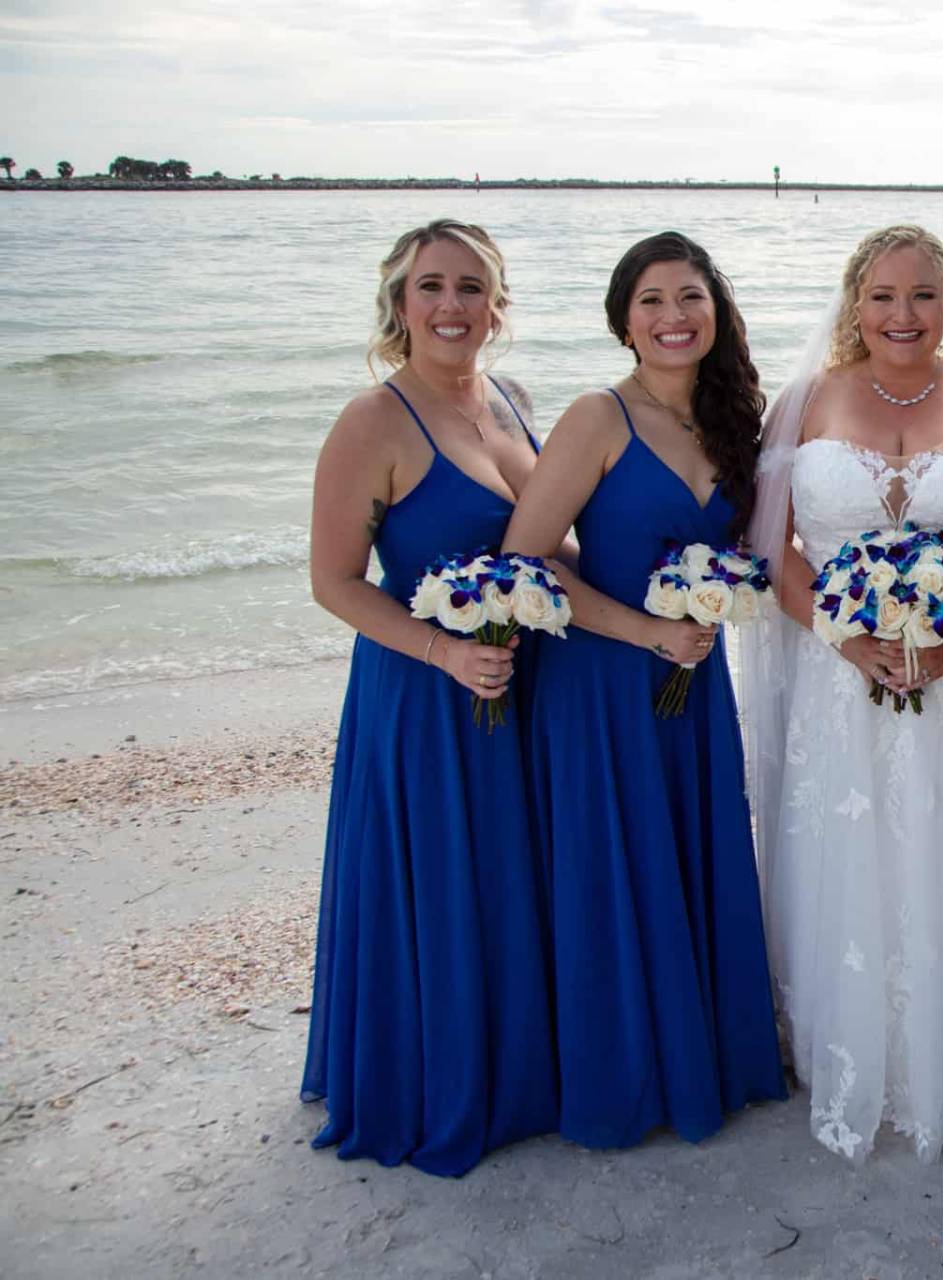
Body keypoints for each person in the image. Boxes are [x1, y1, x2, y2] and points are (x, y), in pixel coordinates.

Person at [740, 225, 943, 1161]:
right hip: (844, 680)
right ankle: (848, 1043)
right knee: (849, 850)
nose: (902, 315)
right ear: (854, 303)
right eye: (882, 295)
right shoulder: (805, 401)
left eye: (922, 295)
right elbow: (774, 552)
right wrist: (849, 637)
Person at [500, 232, 786, 1148]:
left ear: (717, 311)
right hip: (603, 681)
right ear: (624, 319)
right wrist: (648, 630)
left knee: (694, 851)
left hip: (693, 681)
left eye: (691, 297)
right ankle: (626, 1073)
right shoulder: (597, 418)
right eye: (654, 300)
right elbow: (524, 560)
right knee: (617, 872)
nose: (674, 317)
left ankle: (703, 1055)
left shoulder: (739, 421)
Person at [302, 219, 556, 1175]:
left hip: (516, 687)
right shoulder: (373, 421)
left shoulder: (511, 400)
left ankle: (521, 1069)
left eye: (471, 288)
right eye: (432, 287)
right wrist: (443, 655)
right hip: (423, 701)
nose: (452, 306)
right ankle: (439, 1077)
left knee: (510, 878)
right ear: (400, 304)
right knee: (442, 884)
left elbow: (550, 539)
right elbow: (334, 580)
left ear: (497, 307)